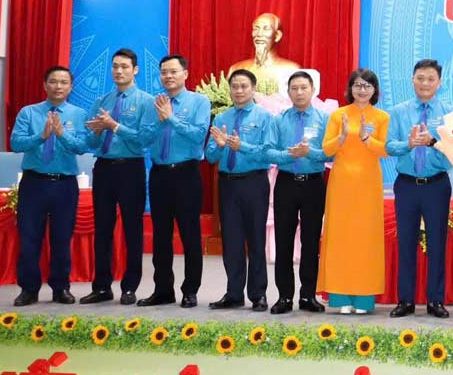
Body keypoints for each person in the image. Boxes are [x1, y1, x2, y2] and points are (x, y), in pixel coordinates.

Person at [10, 65, 88, 306]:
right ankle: (29, 289)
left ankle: (60, 288)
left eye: (64, 82)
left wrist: (62, 134)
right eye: (53, 81)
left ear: (71, 87)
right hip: (34, 183)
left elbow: (81, 147)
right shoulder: (29, 112)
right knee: (29, 238)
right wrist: (41, 136)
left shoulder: (78, 114)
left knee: (62, 238)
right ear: (45, 85)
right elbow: (16, 143)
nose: (58, 86)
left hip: (64, 185)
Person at [81, 48, 153, 306]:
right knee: (102, 228)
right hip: (104, 167)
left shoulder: (146, 101)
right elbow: (89, 139)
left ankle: (130, 286)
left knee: (133, 228)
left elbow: (144, 139)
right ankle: (101, 286)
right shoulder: (102, 101)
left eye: (124, 66)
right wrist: (98, 131)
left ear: (135, 70)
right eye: (115, 66)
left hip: (130, 167)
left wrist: (115, 126)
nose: (119, 71)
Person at [137, 54, 211, 309]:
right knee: (161, 235)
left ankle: (190, 290)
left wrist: (171, 119)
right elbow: (143, 139)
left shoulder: (199, 102)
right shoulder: (153, 103)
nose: (168, 76)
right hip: (159, 174)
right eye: (164, 72)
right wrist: (159, 122)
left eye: (173, 71)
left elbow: (198, 135)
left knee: (190, 234)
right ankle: (163, 289)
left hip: (187, 173)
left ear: (185, 74)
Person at [386, 59, 453, 318]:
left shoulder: (449, 113)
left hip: (436, 185)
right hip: (406, 185)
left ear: (439, 82)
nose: (425, 83)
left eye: (430, 79)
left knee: (437, 243)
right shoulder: (399, 111)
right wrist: (409, 144)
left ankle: (435, 301)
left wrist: (434, 142)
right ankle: (406, 300)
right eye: (420, 78)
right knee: (406, 242)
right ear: (412, 80)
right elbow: (389, 146)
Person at [205, 69, 276, 311]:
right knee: (232, 240)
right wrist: (220, 145)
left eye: (244, 86)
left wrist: (241, 146)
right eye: (234, 86)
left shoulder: (265, 117)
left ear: (253, 89)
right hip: (228, 184)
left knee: (256, 239)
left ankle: (258, 294)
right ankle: (233, 294)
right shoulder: (221, 118)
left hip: (254, 182)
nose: (238, 90)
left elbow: (268, 152)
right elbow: (210, 155)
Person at [320, 68, 389, 315]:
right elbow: (326, 149)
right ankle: (340, 298)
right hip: (342, 183)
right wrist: (339, 140)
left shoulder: (381, 117)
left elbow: (385, 150)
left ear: (374, 90)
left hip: (369, 184)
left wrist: (365, 139)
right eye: (358, 85)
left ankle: (363, 299)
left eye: (367, 86)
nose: (362, 90)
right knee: (341, 238)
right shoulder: (338, 115)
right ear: (350, 89)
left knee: (365, 239)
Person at [268, 70, 332, 315]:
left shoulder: (324, 119)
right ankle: (284, 297)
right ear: (288, 92)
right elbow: (268, 151)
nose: (299, 92)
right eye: (294, 88)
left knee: (310, 241)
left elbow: (331, 152)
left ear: (313, 90)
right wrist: (287, 155)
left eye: (304, 87)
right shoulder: (279, 119)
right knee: (283, 241)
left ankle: (308, 295)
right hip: (285, 183)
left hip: (313, 184)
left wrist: (310, 153)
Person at [227, 12, 303, 91]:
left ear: (277, 35)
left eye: (266, 29)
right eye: (256, 29)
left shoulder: (291, 70)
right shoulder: (236, 69)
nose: (259, 34)